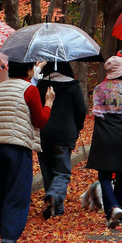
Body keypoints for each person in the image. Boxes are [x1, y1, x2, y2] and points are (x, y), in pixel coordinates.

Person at [0, 60, 54, 243]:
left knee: (2, 192)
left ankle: (6, 236)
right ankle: (8, 240)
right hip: (16, 147)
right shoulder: (29, 90)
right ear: (29, 70)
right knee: (18, 192)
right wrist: (48, 103)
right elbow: (40, 121)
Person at [82, 56, 122, 229]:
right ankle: (119, 213)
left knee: (105, 175)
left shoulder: (99, 89)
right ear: (121, 72)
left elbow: (96, 111)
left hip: (104, 134)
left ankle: (112, 210)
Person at [38, 60, 88, 218]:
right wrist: (78, 126)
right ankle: (55, 196)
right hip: (64, 135)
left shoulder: (40, 85)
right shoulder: (72, 86)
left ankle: (56, 207)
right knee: (62, 172)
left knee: (47, 170)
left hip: (43, 133)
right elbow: (81, 110)